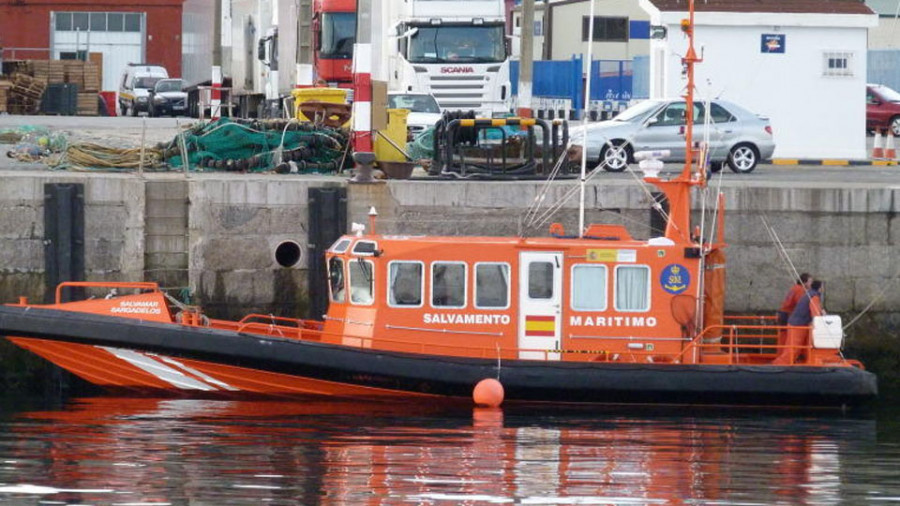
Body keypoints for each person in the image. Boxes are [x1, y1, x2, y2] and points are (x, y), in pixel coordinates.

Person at [775, 280, 825, 365]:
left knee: (792, 347)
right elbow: (815, 312)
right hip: (798, 324)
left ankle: (783, 363)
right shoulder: (814, 297)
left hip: (795, 322)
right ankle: (780, 364)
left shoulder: (808, 294)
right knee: (793, 348)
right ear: (820, 288)